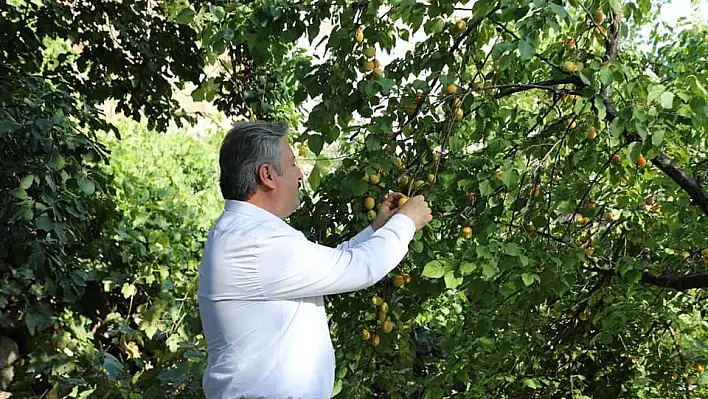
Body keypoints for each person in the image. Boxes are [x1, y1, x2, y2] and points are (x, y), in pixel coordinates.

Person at [197, 121, 433, 399]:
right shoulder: (258, 244)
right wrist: (406, 222)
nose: (300, 173)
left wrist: (378, 227)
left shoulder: (246, 234)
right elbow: (360, 268)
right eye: (293, 163)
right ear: (267, 175)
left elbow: (337, 262)